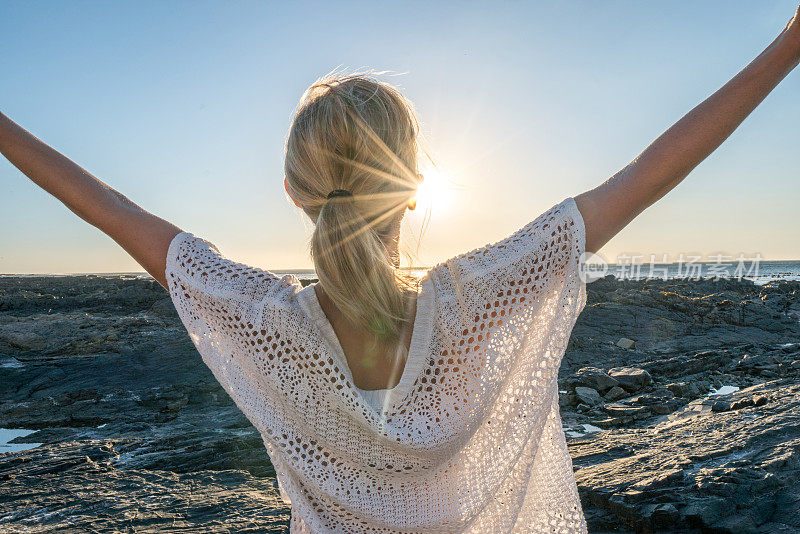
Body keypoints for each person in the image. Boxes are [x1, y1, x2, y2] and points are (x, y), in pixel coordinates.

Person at [2, 6, 798, 532]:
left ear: (292, 192)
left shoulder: (262, 319)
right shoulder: (475, 301)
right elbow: (652, 173)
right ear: (415, 186)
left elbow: (100, 205)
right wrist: (790, 44)